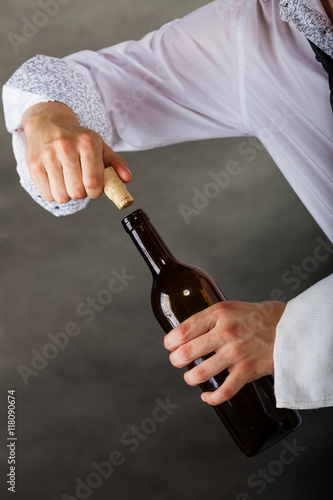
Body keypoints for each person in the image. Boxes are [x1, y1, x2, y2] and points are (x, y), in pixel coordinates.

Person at [2, 0, 333, 410]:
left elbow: (290, 334)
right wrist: (49, 118)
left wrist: (293, 331)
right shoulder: (260, 29)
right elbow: (100, 85)